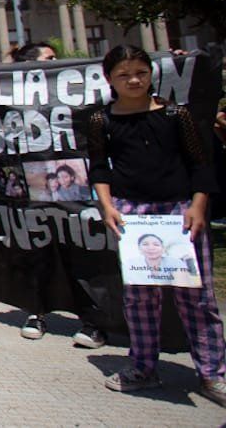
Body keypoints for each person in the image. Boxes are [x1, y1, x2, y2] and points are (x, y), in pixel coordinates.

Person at [89, 44, 224, 405]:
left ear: (151, 74)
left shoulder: (176, 115)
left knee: (197, 297)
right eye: (124, 75)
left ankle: (212, 373)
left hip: (179, 212)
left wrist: (198, 205)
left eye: (141, 73)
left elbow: (200, 164)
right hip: (132, 213)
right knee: (140, 297)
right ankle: (143, 366)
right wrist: (107, 206)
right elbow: (99, 168)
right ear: (110, 79)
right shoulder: (102, 120)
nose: (133, 80)